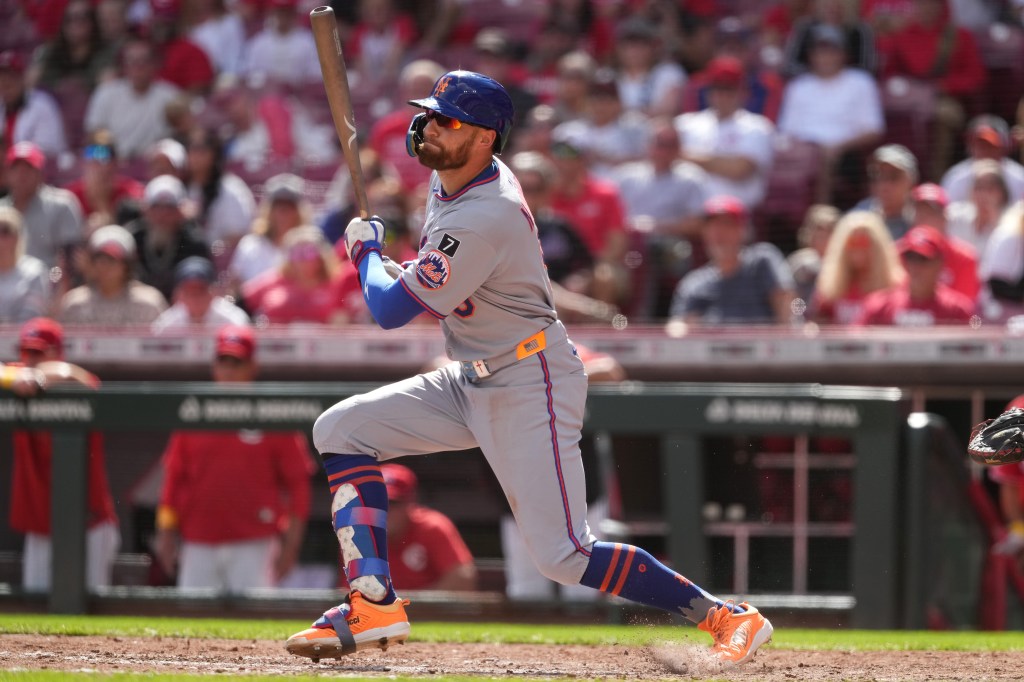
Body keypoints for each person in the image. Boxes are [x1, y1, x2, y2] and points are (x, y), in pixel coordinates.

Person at [283, 70, 773, 666]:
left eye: (449, 120)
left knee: (563, 557)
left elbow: (388, 309)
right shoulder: (453, 177)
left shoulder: (487, 212)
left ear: (486, 139)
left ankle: (727, 616)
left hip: (528, 378)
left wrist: (368, 255)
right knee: (340, 429)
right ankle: (373, 600)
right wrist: (385, 254)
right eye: (431, 114)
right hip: (470, 374)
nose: (431, 126)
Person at [154, 324, 315, 592]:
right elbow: (173, 481)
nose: (228, 370)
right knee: (192, 621)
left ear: (253, 366)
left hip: (255, 542)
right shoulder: (193, 412)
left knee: (257, 621)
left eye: (236, 362)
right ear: (213, 365)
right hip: (198, 540)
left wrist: (291, 546)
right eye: (223, 361)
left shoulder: (273, 413)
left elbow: (299, 485)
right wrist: (166, 534)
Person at [6, 317, 120, 592]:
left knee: (93, 609)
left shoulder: (76, 383)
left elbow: (81, 380)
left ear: (58, 352)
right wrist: (19, 376)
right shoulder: (16, 380)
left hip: (89, 523)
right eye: (27, 352)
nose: (31, 359)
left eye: (39, 352)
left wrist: (39, 376)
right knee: (34, 612)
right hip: (41, 524)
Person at [776, 23, 884, 205]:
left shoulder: (860, 82)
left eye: (832, 50)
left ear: (844, 53)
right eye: (820, 50)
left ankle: (819, 216)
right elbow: (786, 132)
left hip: (847, 154)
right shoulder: (798, 86)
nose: (826, 57)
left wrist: (836, 148)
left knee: (824, 163)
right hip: (804, 155)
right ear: (811, 55)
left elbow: (874, 130)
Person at [339, 463, 478, 592]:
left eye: (392, 503)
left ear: (410, 502)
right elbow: (351, 590)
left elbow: (463, 579)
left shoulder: (432, 527)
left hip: (427, 616)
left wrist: (414, 607)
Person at [668, 195, 797, 327]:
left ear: (743, 231)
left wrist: (787, 339)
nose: (719, 233)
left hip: (765, 346)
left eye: (727, 225)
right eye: (712, 226)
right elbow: (677, 328)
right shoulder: (693, 284)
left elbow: (789, 305)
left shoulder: (762, 261)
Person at [675, 55, 776, 211]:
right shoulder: (685, 124)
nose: (721, 95)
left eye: (728, 89)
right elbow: (662, 158)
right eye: (717, 88)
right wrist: (718, 163)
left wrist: (683, 156)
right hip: (688, 214)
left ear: (742, 92)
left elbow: (739, 170)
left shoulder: (758, 127)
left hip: (735, 214)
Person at [854, 224, 975, 326]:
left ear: (940, 263)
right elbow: (853, 343)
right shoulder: (878, 306)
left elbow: (978, 331)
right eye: (910, 258)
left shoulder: (958, 309)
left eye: (923, 258)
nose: (916, 266)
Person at [83, 37, 182, 160]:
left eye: (143, 61)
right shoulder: (106, 93)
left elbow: (182, 136)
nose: (138, 67)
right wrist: (109, 160)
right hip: (113, 163)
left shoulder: (170, 96)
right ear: (124, 66)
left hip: (154, 164)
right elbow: (93, 136)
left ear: (154, 65)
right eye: (132, 61)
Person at [58, 223, 168, 325]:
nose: (104, 266)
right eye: (99, 259)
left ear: (126, 265)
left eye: (112, 260)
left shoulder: (148, 303)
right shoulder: (75, 304)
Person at [126, 174, 212, 301]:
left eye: (169, 208)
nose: (162, 215)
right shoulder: (131, 239)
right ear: (145, 209)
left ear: (181, 212)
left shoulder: (194, 243)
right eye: (156, 207)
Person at [809, 209, 904, 324]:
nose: (857, 249)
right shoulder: (831, 285)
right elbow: (819, 320)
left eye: (863, 242)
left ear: (877, 247)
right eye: (851, 242)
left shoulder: (893, 284)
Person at [0, 142, 84, 270]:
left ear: (40, 173)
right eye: (16, 168)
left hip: (50, 283)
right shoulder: (2, 210)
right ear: (7, 174)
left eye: (28, 167)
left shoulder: (61, 205)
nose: (21, 174)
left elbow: (72, 259)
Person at [151, 255, 250, 333]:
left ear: (214, 292)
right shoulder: (168, 323)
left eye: (201, 290)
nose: (195, 297)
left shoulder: (232, 318)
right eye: (189, 291)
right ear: (179, 295)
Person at [941, 115, 1024, 205]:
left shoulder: (1020, 179)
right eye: (979, 146)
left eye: (990, 146)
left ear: (1003, 147)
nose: (984, 151)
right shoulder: (955, 179)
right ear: (970, 147)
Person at [0, 50, 68, 157]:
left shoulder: (42, 105)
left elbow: (48, 150)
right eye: (2, 79)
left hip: (44, 170)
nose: (5, 84)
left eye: (11, 78)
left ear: (22, 79)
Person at [852, 144, 919, 240]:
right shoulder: (858, 218)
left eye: (894, 177)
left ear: (911, 181)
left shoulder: (920, 220)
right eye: (877, 176)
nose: (884, 185)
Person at [0, 205, 51, 323]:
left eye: (6, 231)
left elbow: (32, 316)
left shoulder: (34, 271)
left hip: (24, 339)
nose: (0, 238)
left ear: (18, 236)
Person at [786, 203, 840, 308]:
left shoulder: (844, 264)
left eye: (829, 231)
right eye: (819, 230)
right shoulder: (799, 263)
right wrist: (800, 319)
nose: (823, 237)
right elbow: (791, 299)